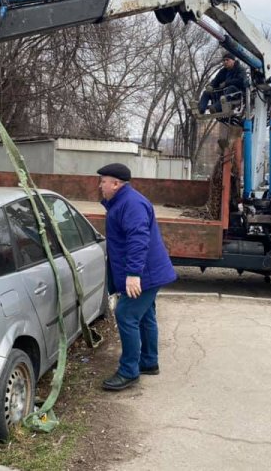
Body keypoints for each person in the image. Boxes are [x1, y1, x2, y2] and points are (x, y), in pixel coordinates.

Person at [97, 163, 177, 391]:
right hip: (149, 272)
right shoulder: (123, 201)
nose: (100, 185)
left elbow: (138, 239)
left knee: (126, 314)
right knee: (146, 314)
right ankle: (149, 362)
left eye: (103, 181)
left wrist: (133, 274)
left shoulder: (131, 204)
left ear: (116, 183)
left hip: (145, 274)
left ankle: (129, 371)